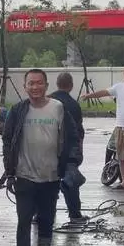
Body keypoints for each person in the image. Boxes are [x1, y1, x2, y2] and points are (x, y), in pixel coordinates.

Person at [0, 68, 83, 246]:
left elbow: (74, 137)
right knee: (24, 219)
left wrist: (71, 164)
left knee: (46, 219)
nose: (35, 87)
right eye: (30, 83)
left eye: (39, 83)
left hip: (51, 176)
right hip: (24, 175)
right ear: (25, 86)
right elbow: (8, 141)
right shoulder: (18, 111)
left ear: (46, 85)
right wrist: (10, 172)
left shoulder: (58, 108)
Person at [82, 64, 124, 191]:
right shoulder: (118, 87)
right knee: (121, 156)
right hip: (120, 127)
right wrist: (89, 95)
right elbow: (104, 92)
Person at [49, 72, 88, 224]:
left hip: (48, 149)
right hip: (67, 151)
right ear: (71, 86)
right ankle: (75, 215)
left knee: (45, 183)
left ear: (57, 84)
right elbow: (78, 132)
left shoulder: (47, 101)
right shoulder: (74, 105)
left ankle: (40, 214)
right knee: (71, 183)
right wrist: (78, 153)